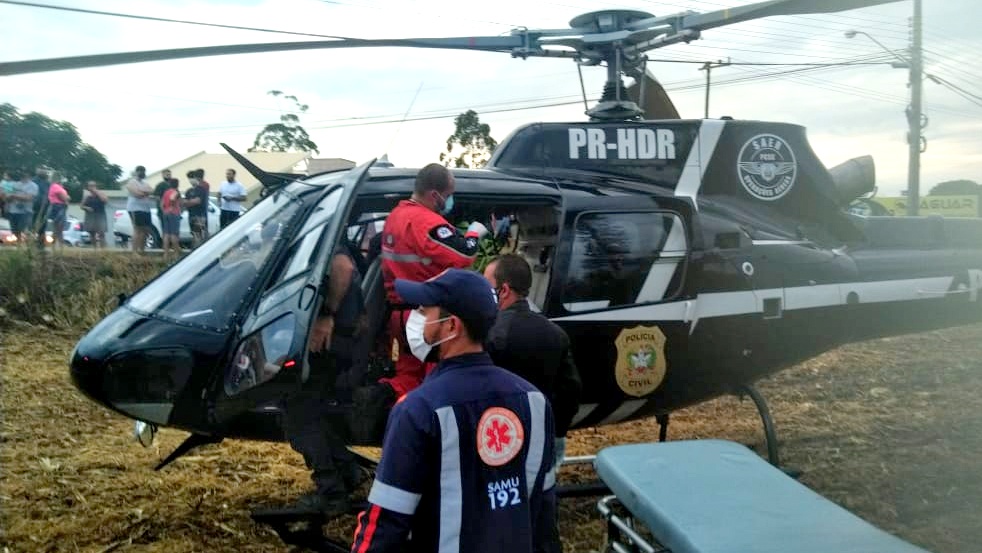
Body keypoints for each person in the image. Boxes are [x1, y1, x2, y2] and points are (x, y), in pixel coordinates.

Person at [351, 269, 558, 553]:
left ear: (452, 326)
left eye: (425, 310)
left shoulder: (417, 410)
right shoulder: (534, 400)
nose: (417, 319)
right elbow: (544, 511)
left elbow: (385, 522)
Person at [354, 164, 488, 437]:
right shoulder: (427, 222)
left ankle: (381, 396)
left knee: (408, 372)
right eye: (449, 194)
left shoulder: (396, 216)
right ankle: (421, 429)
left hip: (399, 312)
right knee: (433, 376)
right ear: (435, 194)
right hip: (426, 315)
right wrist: (474, 233)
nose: (450, 201)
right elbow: (463, 256)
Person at [283, 245, 367, 515]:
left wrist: (327, 314)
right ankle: (349, 472)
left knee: (299, 418)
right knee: (311, 414)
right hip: (340, 342)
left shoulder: (329, 242)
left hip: (329, 342)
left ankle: (331, 492)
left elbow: (343, 267)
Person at [484, 254, 582, 470]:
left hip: (496, 438)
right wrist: (556, 433)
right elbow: (570, 391)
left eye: (487, 286)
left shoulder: (489, 334)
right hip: (541, 435)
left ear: (505, 290)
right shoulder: (555, 333)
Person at [125, 165, 154, 253]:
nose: (142, 173)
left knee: (146, 230)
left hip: (146, 209)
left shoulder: (145, 183)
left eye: (144, 171)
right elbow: (137, 194)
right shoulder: (131, 182)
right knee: (137, 229)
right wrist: (145, 192)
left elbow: (151, 191)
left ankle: (142, 251)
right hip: (135, 209)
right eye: (140, 171)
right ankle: (134, 251)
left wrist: (143, 192)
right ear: (136, 172)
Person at [7, 171, 38, 245]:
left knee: (24, 231)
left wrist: (14, 196)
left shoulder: (33, 185)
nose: (22, 174)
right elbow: (8, 196)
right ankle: (19, 246)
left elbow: (29, 197)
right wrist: (7, 196)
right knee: (14, 231)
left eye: (25, 172)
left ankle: (26, 247)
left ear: (28, 174)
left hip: (25, 212)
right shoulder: (15, 184)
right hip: (13, 211)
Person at [183, 170, 210, 247]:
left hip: (200, 216)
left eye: (192, 178)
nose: (190, 180)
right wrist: (190, 202)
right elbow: (184, 203)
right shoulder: (188, 191)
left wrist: (189, 202)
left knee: (199, 235)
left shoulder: (201, 189)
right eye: (189, 178)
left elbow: (197, 201)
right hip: (191, 215)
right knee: (195, 235)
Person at [81, 181, 108, 249]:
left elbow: (105, 201)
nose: (92, 187)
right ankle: (94, 249)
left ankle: (103, 250)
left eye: (93, 186)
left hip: (100, 215)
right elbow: (81, 206)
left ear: (96, 186)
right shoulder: (87, 196)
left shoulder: (101, 193)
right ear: (88, 187)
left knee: (101, 233)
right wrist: (87, 208)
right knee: (92, 233)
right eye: (90, 186)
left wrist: (97, 192)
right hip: (90, 216)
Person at [160, 178, 182, 259]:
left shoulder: (166, 192)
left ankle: (165, 254)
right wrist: (172, 207)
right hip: (174, 213)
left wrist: (165, 210)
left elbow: (162, 204)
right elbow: (172, 198)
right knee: (174, 234)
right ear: (177, 184)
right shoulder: (175, 192)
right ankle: (176, 253)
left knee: (166, 234)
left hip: (166, 213)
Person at [47, 175, 70, 250]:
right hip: (58, 207)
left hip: (58, 206)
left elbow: (66, 197)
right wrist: (66, 200)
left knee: (58, 228)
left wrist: (66, 198)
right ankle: (59, 245)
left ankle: (57, 245)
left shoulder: (59, 187)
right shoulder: (55, 186)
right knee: (59, 227)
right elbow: (63, 197)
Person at [32, 169, 50, 250]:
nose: (44, 172)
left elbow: (49, 194)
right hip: (34, 206)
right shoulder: (34, 181)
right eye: (42, 171)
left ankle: (41, 244)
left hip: (44, 206)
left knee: (42, 225)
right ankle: (33, 243)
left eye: (45, 171)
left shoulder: (47, 183)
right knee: (33, 225)